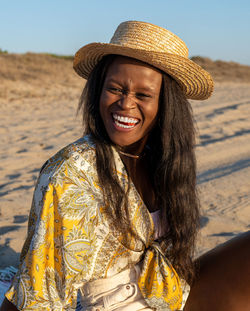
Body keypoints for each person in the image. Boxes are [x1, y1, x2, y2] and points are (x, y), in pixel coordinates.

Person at [0, 20, 246, 311]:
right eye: (115, 89)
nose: (125, 104)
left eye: (143, 95)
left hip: (168, 291)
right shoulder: (71, 172)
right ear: (98, 91)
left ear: (166, 105)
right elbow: (40, 288)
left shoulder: (162, 159)